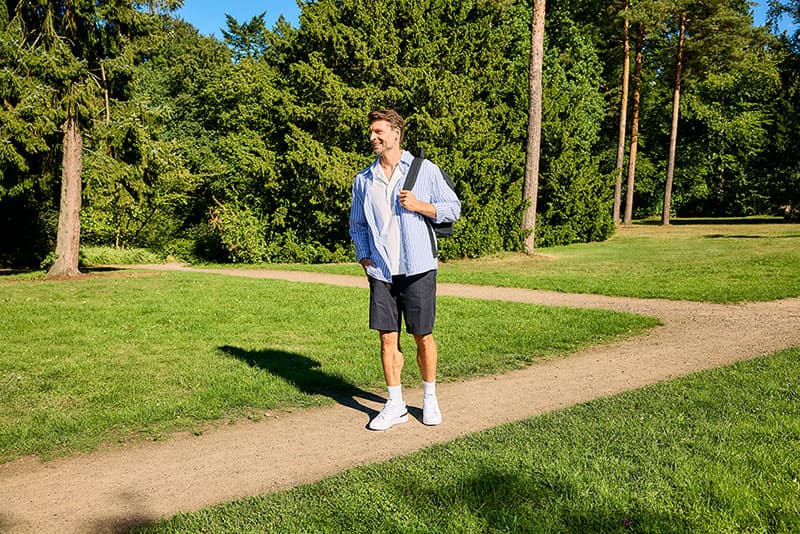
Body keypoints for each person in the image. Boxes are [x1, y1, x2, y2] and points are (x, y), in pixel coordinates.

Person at [349, 109, 461, 431]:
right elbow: (357, 225)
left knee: (422, 336)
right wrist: (363, 256)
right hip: (382, 272)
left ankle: (429, 397)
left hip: (419, 267)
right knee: (387, 339)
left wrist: (420, 206)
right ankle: (395, 403)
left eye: (379, 131)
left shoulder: (425, 171)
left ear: (396, 134)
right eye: (371, 132)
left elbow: (453, 208)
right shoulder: (364, 180)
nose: (373, 137)